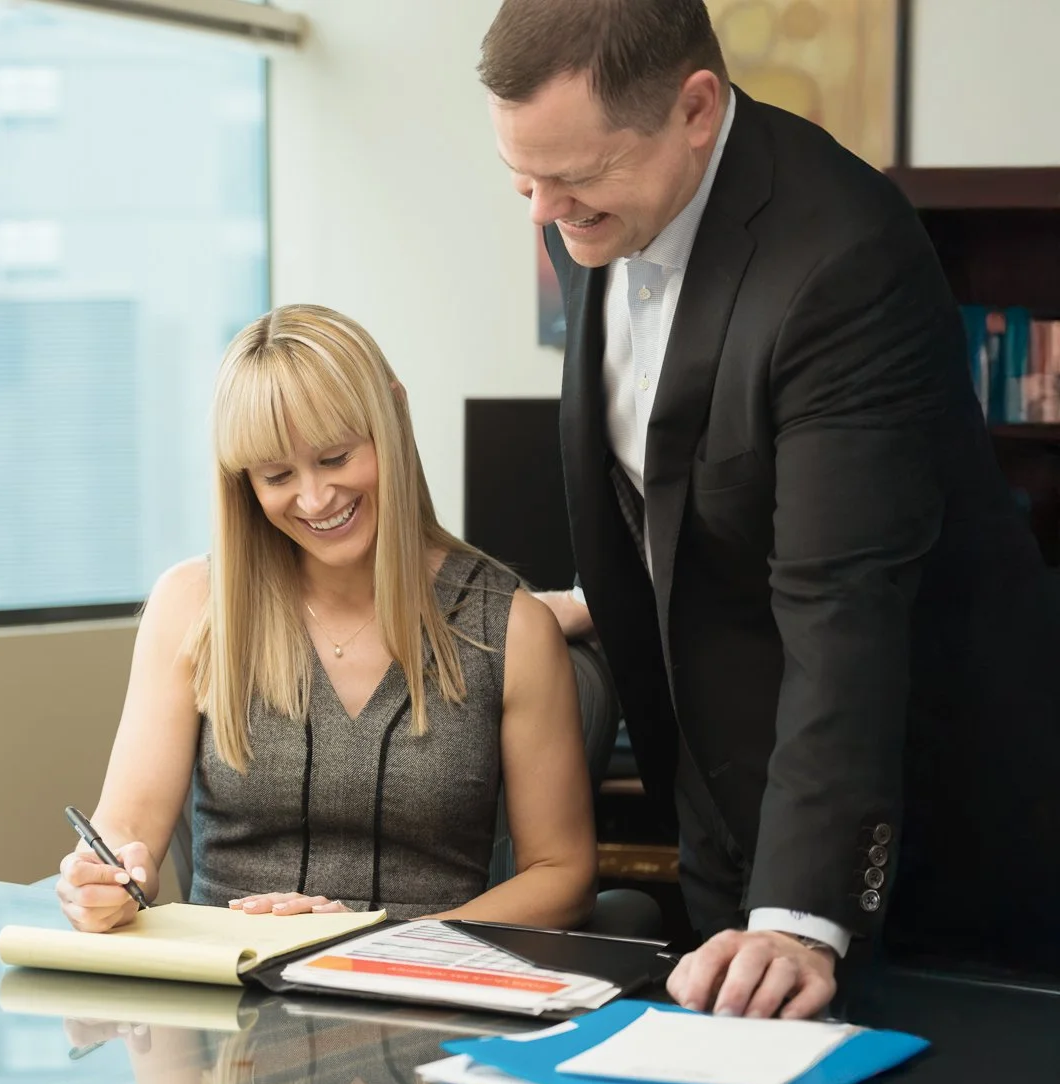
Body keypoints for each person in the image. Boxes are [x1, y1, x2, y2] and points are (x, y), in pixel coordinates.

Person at [480, 0, 1060, 1018]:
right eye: (521, 177)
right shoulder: (601, 206)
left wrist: (796, 914)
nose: (538, 210)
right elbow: (684, 474)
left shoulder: (842, 257)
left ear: (695, 108)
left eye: (568, 178)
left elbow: (842, 603)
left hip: (916, 834)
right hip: (724, 821)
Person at [55, 304, 596, 934]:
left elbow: (563, 877)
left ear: (394, 417)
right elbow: (126, 839)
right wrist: (104, 886)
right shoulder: (192, 606)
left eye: (336, 458)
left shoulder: (510, 626)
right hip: (225, 999)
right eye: (277, 475)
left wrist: (379, 943)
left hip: (423, 994)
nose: (313, 499)